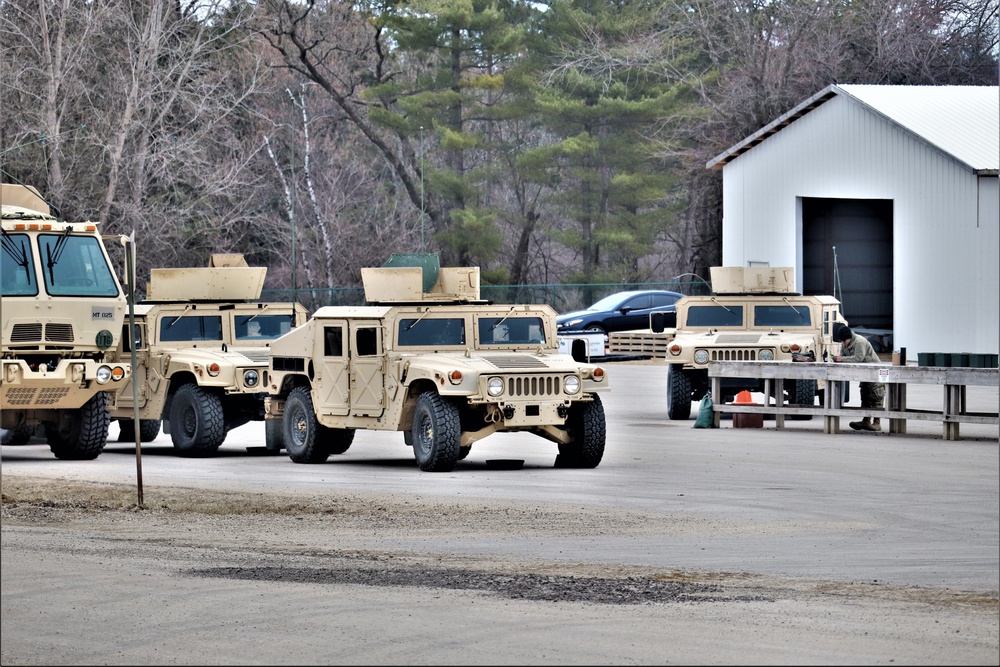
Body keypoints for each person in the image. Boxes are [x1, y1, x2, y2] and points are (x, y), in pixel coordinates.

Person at [832, 326, 884, 431]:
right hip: (864, 372)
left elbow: (858, 358)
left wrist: (842, 359)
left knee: (876, 395)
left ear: (849, 338)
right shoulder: (845, 343)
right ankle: (866, 420)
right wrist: (838, 359)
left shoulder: (859, 342)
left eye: (844, 341)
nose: (843, 343)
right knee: (865, 395)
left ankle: (877, 422)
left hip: (875, 371)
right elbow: (843, 356)